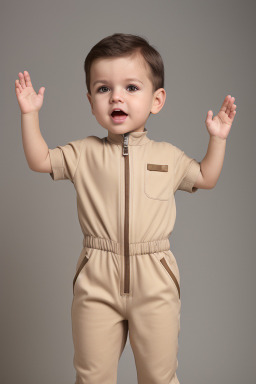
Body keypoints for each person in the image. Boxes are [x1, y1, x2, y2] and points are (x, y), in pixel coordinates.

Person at [15, 33, 237, 384]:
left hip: (155, 277)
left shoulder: (168, 156)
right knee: (92, 377)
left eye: (131, 87)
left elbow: (206, 177)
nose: (116, 96)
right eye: (103, 89)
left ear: (157, 99)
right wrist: (30, 116)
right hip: (96, 277)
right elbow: (39, 160)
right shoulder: (84, 152)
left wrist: (218, 139)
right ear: (90, 101)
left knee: (159, 377)